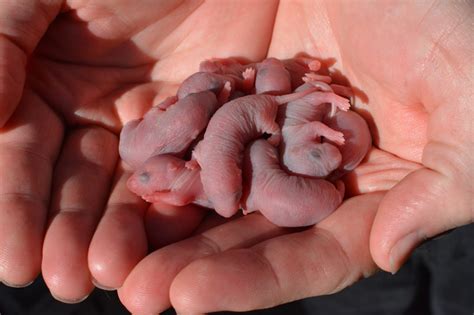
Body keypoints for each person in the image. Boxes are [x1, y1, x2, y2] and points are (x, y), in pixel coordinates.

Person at [0, 0, 471, 314]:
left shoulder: (227, 151)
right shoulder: (216, 156)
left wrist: (280, 124)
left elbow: (233, 191)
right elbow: (230, 191)